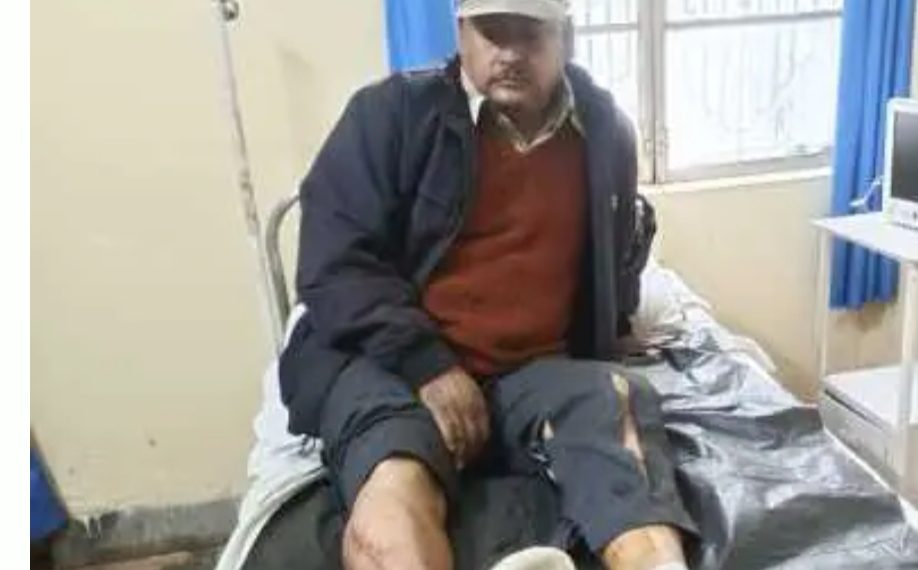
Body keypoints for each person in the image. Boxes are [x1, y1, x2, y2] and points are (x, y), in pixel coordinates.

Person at [273, 1, 696, 568]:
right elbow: (334, 265)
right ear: (461, 33)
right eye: (493, 33)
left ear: (566, 36)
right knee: (393, 489)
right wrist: (427, 364)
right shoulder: (391, 116)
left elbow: (615, 264)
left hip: (534, 372)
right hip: (393, 366)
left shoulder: (605, 134)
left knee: (622, 430)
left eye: (531, 34)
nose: (510, 54)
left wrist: (612, 330)